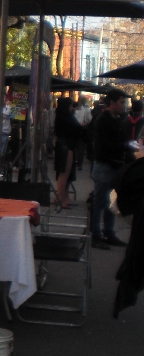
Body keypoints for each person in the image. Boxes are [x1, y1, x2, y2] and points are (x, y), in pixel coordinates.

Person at [91, 90, 131, 249]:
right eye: (122, 102)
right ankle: (95, 235)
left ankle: (109, 232)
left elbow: (121, 140)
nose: (124, 105)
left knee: (112, 202)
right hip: (104, 166)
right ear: (112, 103)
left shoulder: (118, 119)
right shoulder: (102, 120)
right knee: (100, 202)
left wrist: (129, 144)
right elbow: (103, 145)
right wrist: (125, 145)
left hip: (115, 166)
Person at [53, 97, 83, 210]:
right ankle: (61, 198)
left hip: (64, 145)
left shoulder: (62, 116)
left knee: (65, 173)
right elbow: (74, 129)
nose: (72, 108)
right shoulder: (66, 118)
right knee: (64, 173)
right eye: (70, 106)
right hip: (66, 146)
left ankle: (63, 197)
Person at [73, 96, 92, 170]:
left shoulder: (86, 109)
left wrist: (85, 123)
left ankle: (78, 163)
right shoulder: (75, 109)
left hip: (81, 130)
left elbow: (89, 119)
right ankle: (77, 162)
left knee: (79, 147)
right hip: (76, 129)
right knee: (77, 147)